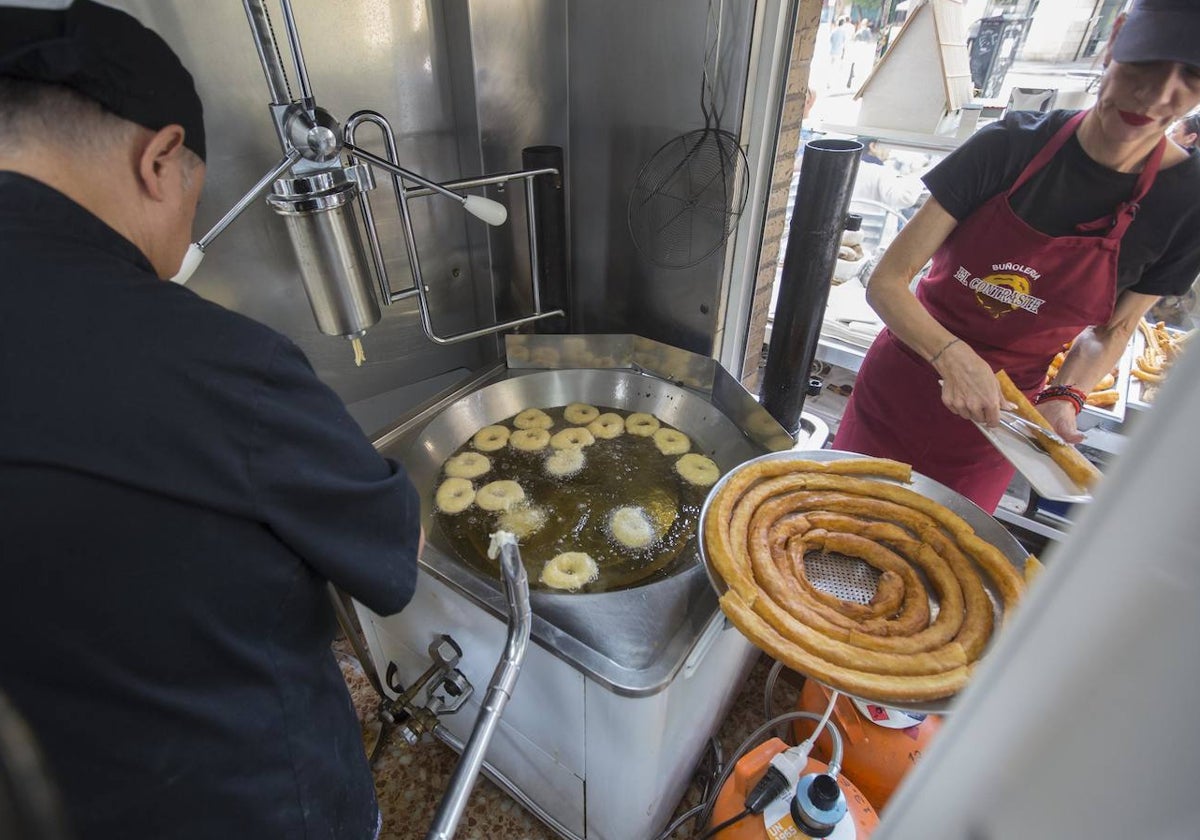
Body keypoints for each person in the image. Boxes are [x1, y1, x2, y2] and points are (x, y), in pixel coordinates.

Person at [0, 3, 423, 838]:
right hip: (251, 804)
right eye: (193, 203)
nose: (178, 244)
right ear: (159, 159)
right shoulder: (220, 368)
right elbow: (391, 557)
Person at [832, 0, 1200, 513]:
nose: (1159, 93)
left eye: (1192, 75)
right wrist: (951, 356)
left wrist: (1066, 395)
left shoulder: (1185, 203)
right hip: (902, 384)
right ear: (1114, 42)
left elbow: (1112, 331)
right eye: (1147, 62)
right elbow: (888, 280)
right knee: (831, 516)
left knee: (936, 552)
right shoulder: (1007, 147)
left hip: (999, 422)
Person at [853, 137, 925, 213]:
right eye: (887, 145)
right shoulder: (881, 171)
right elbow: (904, 199)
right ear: (873, 146)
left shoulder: (850, 168)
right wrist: (916, 174)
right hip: (872, 223)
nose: (890, 150)